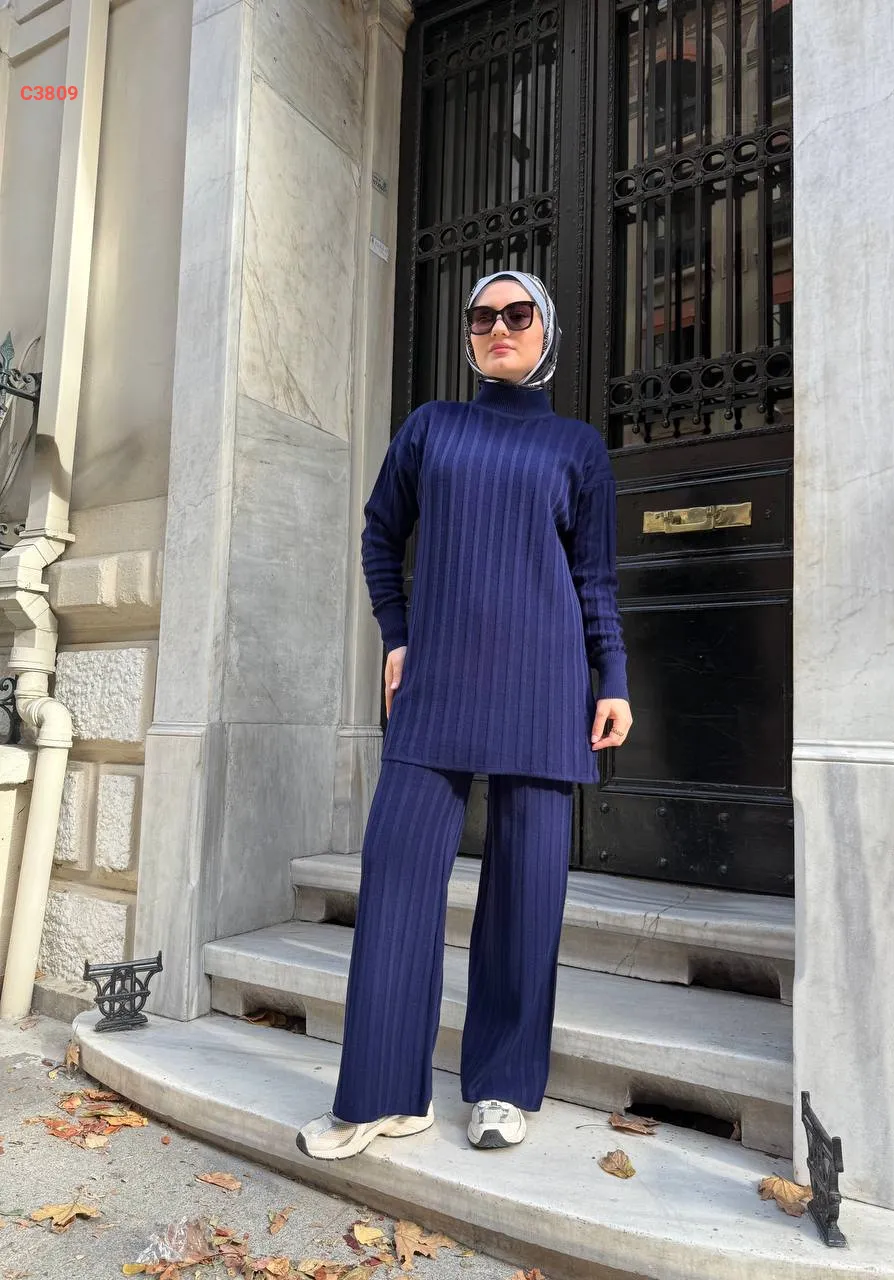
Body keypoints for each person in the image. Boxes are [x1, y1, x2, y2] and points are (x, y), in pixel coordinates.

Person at [296, 269, 632, 1160]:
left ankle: (502, 1087)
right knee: (397, 878)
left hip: (545, 688)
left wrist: (613, 678)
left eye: (517, 314)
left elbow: (595, 578)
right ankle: (382, 1097)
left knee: (526, 898)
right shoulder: (430, 427)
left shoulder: (577, 448)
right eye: (482, 317)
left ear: (545, 331)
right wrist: (397, 634)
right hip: (437, 682)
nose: (498, 328)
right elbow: (380, 532)